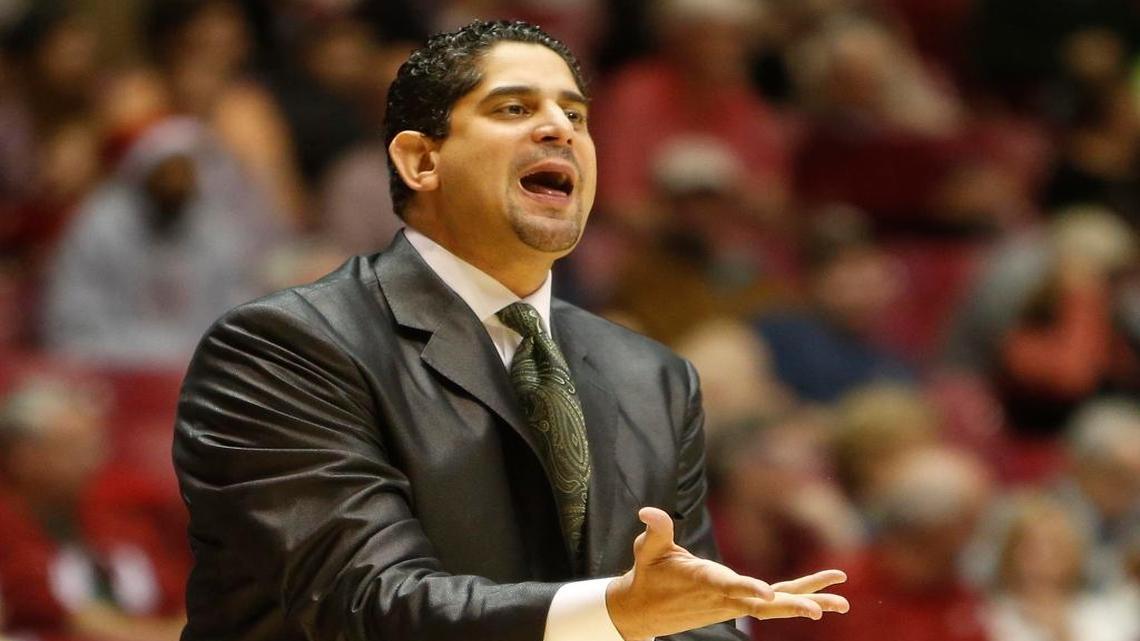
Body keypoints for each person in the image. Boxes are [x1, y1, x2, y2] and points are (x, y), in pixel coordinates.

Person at [172, 20, 849, 641]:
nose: (560, 128)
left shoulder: (654, 377)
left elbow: (690, 615)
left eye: (576, 115)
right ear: (421, 161)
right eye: (515, 109)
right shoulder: (286, 347)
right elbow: (364, 602)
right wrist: (615, 611)